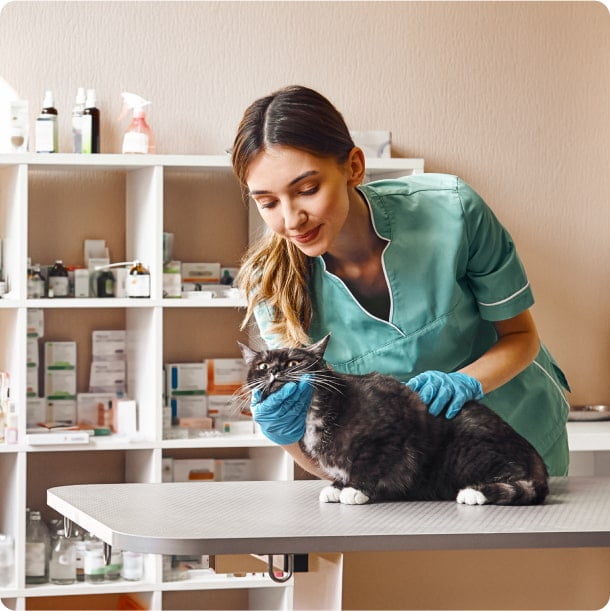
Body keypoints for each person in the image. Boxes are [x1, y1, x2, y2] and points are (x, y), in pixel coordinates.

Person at [232, 85, 570, 477]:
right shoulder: (271, 284)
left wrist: (464, 383)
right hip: (404, 472)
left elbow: (521, 337)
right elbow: (317, 441)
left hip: (513, 441)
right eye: (267, 202)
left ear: (354, 166)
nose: (291, 220)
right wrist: (287, 435)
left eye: (307, 189)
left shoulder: (453, 213)